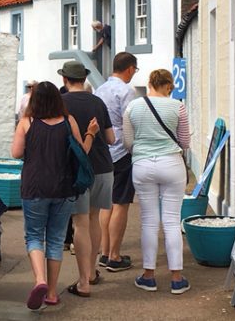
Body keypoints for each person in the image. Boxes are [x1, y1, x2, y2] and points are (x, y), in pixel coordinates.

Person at [11, 81, 99, 309]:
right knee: (56, 239)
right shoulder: (68, 122)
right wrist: (91, 133)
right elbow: (82, 152)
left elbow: (16, 153)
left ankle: (39, 280)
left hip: (34, 188)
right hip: (63, 188)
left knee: (33, 236)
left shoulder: (26, 123)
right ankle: (51, 292)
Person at [124, 69, 192, 294]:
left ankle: (149, 276)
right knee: (172, 221)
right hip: (172, 164)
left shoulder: (133, 106)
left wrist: (144, 151)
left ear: (150, 83)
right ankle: (177, 278)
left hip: (143, 165)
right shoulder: (178, 107)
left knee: (149, 221)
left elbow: (128, 142)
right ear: (168, 85)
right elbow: (184, 141)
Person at [58, 61, 117, 298]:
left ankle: (84, 280)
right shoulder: (98, 102)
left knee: (79, 223)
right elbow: (112, 138)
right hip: (103, 167)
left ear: (64, 80)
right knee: (94, 220)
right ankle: (91, 272)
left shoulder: (60, 104)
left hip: (76, 171)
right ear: (84, 79)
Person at [94, 52, 139, 273]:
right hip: (122, 150)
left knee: (106, 203)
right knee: (121, 203)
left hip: (103, 151)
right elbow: (131, 122)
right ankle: (114, 255)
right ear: (130, 69)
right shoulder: (126, 91)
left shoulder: (100, 89)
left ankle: (104, 252)